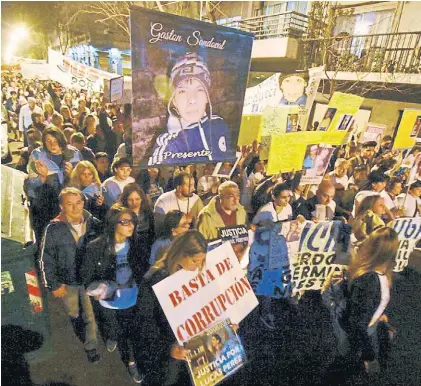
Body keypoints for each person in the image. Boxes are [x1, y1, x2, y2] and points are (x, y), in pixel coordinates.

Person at [133, 231, 207, 385]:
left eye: (202, 261)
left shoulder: (198, 274)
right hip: (166, 360)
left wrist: (224, 326)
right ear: (180, 254)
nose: (198, 266)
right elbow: (144, 326)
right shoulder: (154, 282)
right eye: (194, 261)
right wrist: (169, 348)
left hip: (194, 355)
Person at [39, 188, 102, 364]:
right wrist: (53, 285)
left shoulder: (94, 223)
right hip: (67, 283)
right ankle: (77, 326)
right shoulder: (53, 228)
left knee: (90, 316)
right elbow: (46, 259)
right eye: (69, 204)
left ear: (84, 202)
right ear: (62, 206)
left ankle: (90, 346)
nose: (75, 208)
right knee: (74, 313)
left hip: (88, 280)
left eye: (78, 202)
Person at [82, 207, 144, 383]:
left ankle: (132, 363)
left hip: (132, 299)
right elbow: (87, 276)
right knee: (113, 328)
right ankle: (112, 336)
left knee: (131, 335)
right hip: (109, 302)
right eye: (125, 222)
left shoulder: (137, 244)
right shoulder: (96, 247)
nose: (130, 226)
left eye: (132, 221)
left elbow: (142, 269)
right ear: (112, 224)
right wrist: (96, 289)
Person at [149, 52, 230, 165]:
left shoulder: (219, 124)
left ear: (207, 96)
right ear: (174, 100)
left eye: (199, 89)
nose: (192, 99)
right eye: (182, 91)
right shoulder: (170, 144)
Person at [341, 227, 399, 373]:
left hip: (366, 338)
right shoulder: (370, 280)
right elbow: (358, 323)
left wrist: (379, 315)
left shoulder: (381, 275)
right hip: (358, 346)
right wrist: (369, 356)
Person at [26, 126, 82, 247]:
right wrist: (43, 177)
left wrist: (71, 174)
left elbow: (84, 182)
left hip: (69, 206)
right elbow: (31, 185)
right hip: (45, 206)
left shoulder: (74, 154)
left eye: (55, 141)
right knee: (47, 242)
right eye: (48, 141)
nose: (52, 145)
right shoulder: (38, 155)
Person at [117, 183, 155, 278]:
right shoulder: (120, 214)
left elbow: (152, 234)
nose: (135, 203)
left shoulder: (148, 213)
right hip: (127, 254)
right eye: (131, 200)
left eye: (137, 199)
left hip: (146, 253)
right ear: (125, 200)